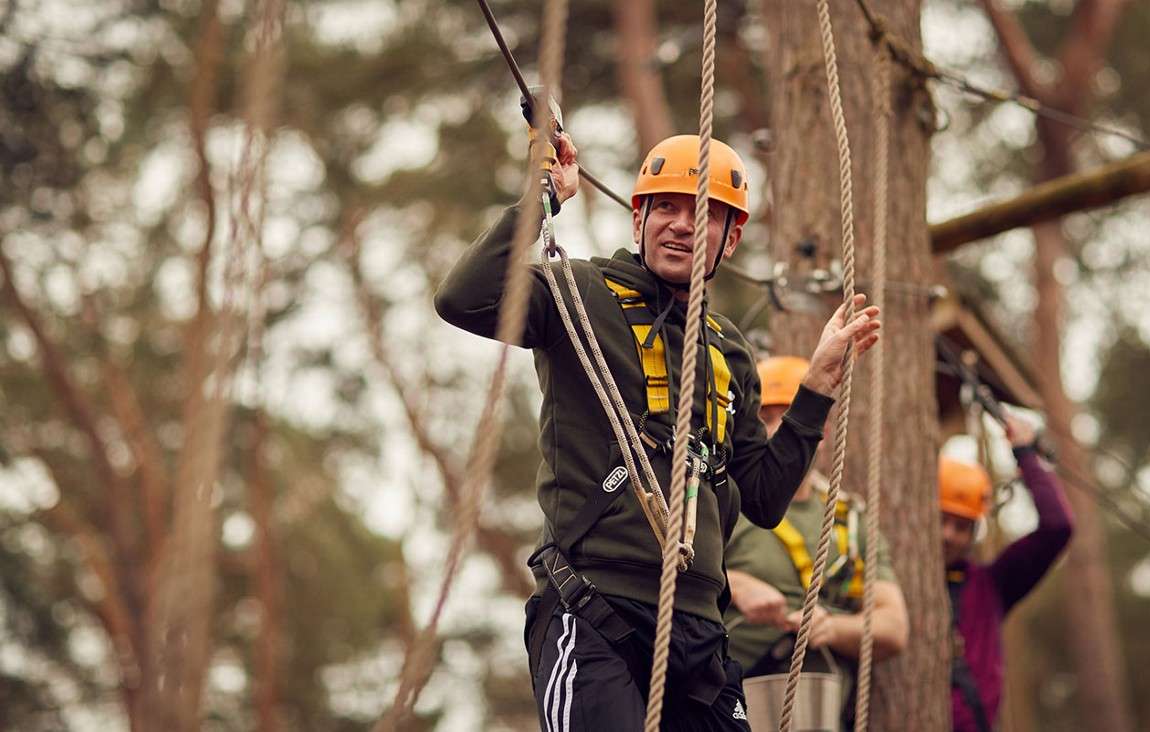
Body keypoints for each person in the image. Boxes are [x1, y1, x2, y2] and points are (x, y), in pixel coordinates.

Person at [433, 132, 882, 730]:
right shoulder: (581, 294)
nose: (682, 225)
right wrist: (542, 198)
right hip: (593, 609)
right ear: (638, 217)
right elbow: (464, 299)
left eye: (705, 213)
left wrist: (816, 389)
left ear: (733, 238)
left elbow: (766, 498)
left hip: (697, 632)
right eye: (666, 207)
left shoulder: (727, 352)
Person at [724, 355, 908, 731]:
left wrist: (834, 629)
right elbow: (665, 578)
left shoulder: (848, 521)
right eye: (764, 418)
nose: (776, 430)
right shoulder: (725, 502)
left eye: (787, 416)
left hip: (819, 712)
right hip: (728, 705)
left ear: (819, 428)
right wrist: (735, 585)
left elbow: (893, 626)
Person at [942, 417, 1074, 732]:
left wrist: (1026, 456)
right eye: (940, 520)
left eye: (961, 526)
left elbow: (1058, 527)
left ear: (974, 531)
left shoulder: (990, 585)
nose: (948, 535)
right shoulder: (890, 580)